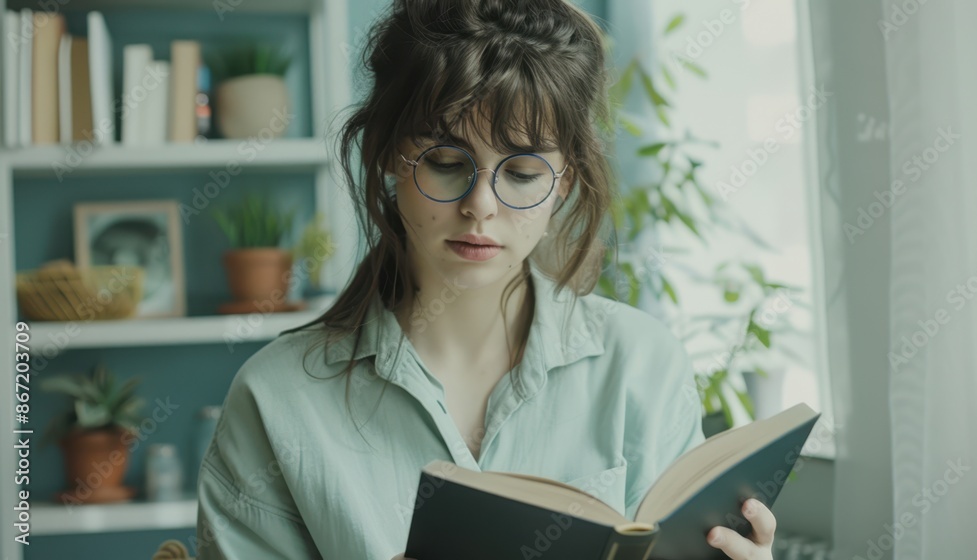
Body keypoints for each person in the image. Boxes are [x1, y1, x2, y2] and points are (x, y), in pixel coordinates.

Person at [195, 0, 778, 558]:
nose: (481, 206)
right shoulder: (274, 399)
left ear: (564, 185)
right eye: (446, 163)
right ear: (389, 160)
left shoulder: (642, 365)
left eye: (522, 173)